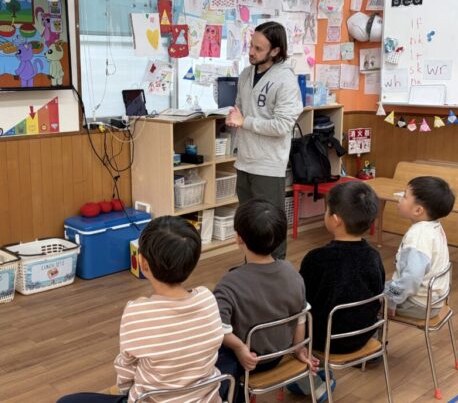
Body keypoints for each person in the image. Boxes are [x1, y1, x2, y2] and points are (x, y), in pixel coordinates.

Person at [57, 216, 224, 403]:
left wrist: (124, 390)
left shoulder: (137, 312)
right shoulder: (207, 298)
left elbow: (126, 369)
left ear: (143, 264)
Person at [213, 199, 319, 402]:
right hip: (279, 355)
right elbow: (301, 317)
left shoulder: (229, 283)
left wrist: (239, 347)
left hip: (247, 360)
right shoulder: (292, 273)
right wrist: (298, 348)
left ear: (239, 238)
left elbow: (220, 328)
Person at [226, 21, 303, 260]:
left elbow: (282, 126)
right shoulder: (246, 74)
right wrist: (235, 116)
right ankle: (251, 270)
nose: (251, 52)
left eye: (258, 48)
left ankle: (275, 273)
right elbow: (240, 108)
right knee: (247, 226)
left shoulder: (285, 79)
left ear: (275, 51)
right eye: (251, 45)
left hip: (268, 165)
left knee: (269, 226)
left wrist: (245, 121)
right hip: (244, 161)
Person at [299, 181, 385, 354]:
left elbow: (301, 300)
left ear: (336, 220)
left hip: (323, 338)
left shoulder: (316, 258)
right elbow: (378, 291)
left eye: (327, 210)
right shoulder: (374, 256)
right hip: (363, 334)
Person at [384, 176, 455, 319]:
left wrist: (391, 301)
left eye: (404, 196)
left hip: (417, 305)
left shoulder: (418, 236)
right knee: (378, 285)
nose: (399, 198)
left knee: (365, 295)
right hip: (434, 301)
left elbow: (411, 278)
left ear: (418, 210)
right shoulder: (434, 226)